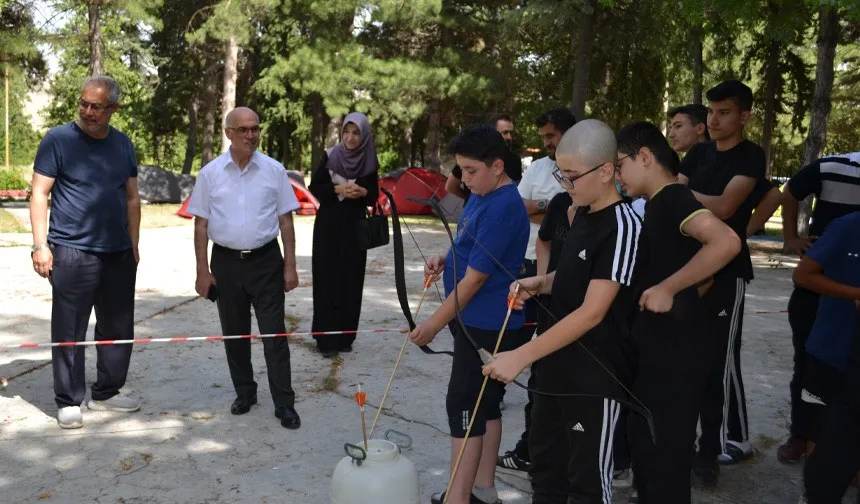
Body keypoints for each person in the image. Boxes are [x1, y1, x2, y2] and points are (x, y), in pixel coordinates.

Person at [483, 119, 642, 504]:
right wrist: (542, 282)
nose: (563, 185)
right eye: (561, 174)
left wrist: (520, 355)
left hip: (593, 378)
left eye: (571, 176)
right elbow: (575, 274)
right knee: (545, 472)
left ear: (606, 171)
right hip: (553, 369)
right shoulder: (580, 210)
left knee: (586, 483)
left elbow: (593, 311)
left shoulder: (623, 226)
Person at [615, 121, 741, 503]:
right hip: (657, 350)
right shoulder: (656, 205)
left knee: (666, 462)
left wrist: (669, 288)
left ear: (645, 157)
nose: (617, 175)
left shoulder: (673, 198)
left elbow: (726, 241)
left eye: (620, 164)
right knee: (649, 456)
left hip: (674, 357)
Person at [408, 124, 529, 504]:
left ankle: (458, 498)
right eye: (460, 169)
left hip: (488, 323)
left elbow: (476, 281)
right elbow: (467, 243)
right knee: (486, 404)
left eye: (471, 170)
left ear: (497, 165)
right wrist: (445, 258)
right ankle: (483, 491)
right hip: (475, 319)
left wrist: (432, 324)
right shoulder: (482, 191)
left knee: (463, 405)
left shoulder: (505, 205)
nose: (464, 178)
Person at [29, 75, 141, 429]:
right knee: (69, 327)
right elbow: (39, 194)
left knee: (118, 326)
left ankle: (107, 392)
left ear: (113, 109)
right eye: (84, 104)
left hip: (118, 252)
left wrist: (134, 245)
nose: (88, 112)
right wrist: (40, 245)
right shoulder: (58, 140)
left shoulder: (123, 144)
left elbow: (132, 197)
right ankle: (68, 399)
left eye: (96, 106)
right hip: (72, 250)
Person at [186, 106, 301, 429]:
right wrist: (201, 270)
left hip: (266, 262)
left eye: (255, 129)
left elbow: (286, 221)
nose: (251, 135)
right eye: (244, 130)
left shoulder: (274, 170)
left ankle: (284, 404)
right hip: (225, 264)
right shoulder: (210, 174)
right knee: (235, 334)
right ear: (229, 134)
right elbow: (200, 224)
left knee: (274, 335)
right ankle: (245, 393)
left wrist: (290, 266)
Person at [677, 80, 765, 482]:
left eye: (724, 112)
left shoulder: (751, 156)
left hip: (729, 272)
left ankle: (729, 442)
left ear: (744, 116)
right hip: (687, 267)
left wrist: (685, 192)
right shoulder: (698, 153)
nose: (713, 119)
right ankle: (704, 441)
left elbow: (729, 206)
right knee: (689, 357)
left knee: (721, 359)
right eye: (710, 112)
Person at [496, 107, 577, 474]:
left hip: (575, 275)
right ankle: (535, 449)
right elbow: (525, 207)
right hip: (536, 268)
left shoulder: (587, 166)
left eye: (552, 136)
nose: (546, 143)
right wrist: (544, 281)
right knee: (538, 360)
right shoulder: (541, 170)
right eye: (543, 137)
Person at [776, 151, 860, 463]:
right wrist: (791, 238)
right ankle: (802, 434)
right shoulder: (833, 167)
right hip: (819, 284)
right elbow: (790, 192)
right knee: (810, 364)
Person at [308, 112, 381, 358]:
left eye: (356, 132)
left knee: (351, 279)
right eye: (347, 131)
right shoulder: (330, 155)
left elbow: (373, 196)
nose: (350, 137)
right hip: (329, 224)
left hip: (354, 226)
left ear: (364, 135)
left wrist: (361, 191)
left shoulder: (369, 161)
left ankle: (346, 336)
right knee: (327, 278)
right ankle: (325, 339)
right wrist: (338, 189)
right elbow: (315, 188)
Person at [446, 114, 522, 200]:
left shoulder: (515, 159)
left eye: (511, 133)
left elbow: (517, 189)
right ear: (493, 133)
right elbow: (450, 186)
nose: (509, 137)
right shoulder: (472, 157)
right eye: (505, 133)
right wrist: (468, 199)